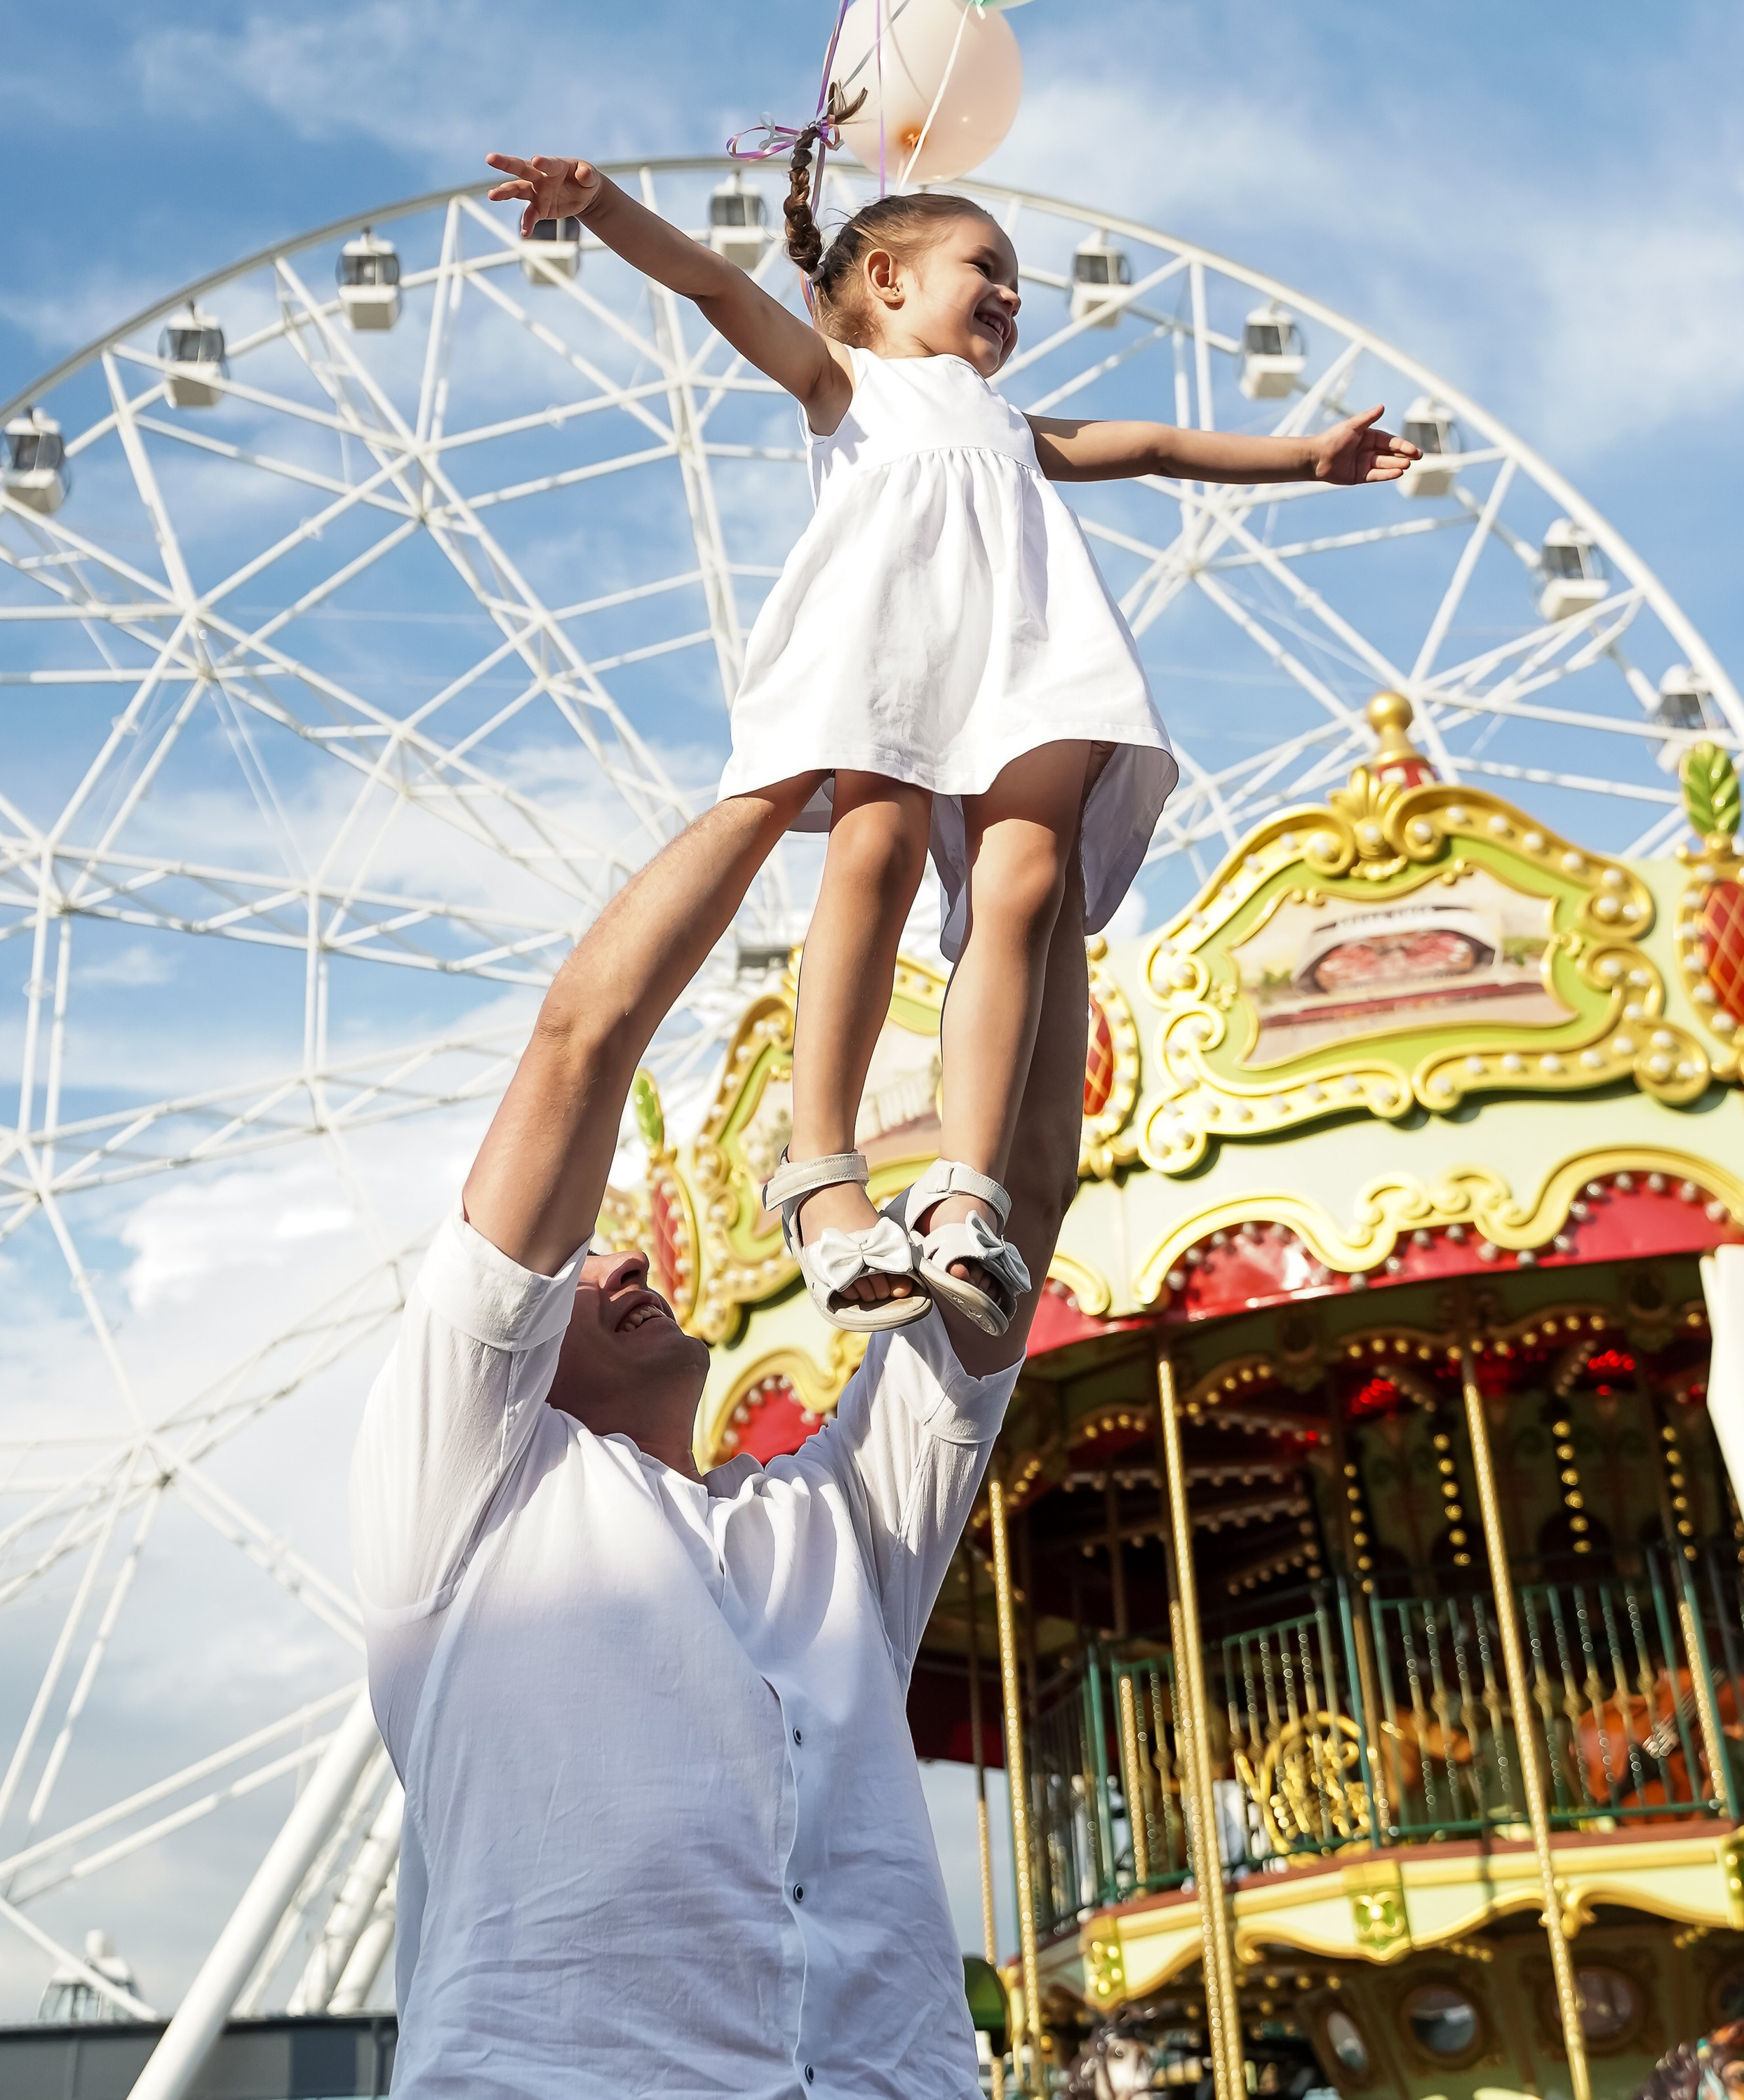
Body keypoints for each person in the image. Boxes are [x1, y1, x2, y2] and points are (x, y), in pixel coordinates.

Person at [484, 142, 1417, 1339]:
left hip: (1033, 653)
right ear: (883, 280)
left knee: (1024, 890)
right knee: (868, 864)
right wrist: (601, 205)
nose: (1015, 297)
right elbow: (717, 287)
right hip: (895, 645)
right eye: (988, 266)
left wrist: (1306, 461)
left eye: (1020, 283)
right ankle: (823, 1173)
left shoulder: (1014, 428)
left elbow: (1148, 446)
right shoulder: (844, 388)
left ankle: (966, 1194)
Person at [349, 783, 1094, 2099]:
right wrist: (792, 777)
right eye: (573, 1265)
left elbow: (1024, 1187)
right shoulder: (459, 1495)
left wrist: (1040, 849)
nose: (621, 1253)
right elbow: (585, 1037)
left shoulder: (837, 1533)